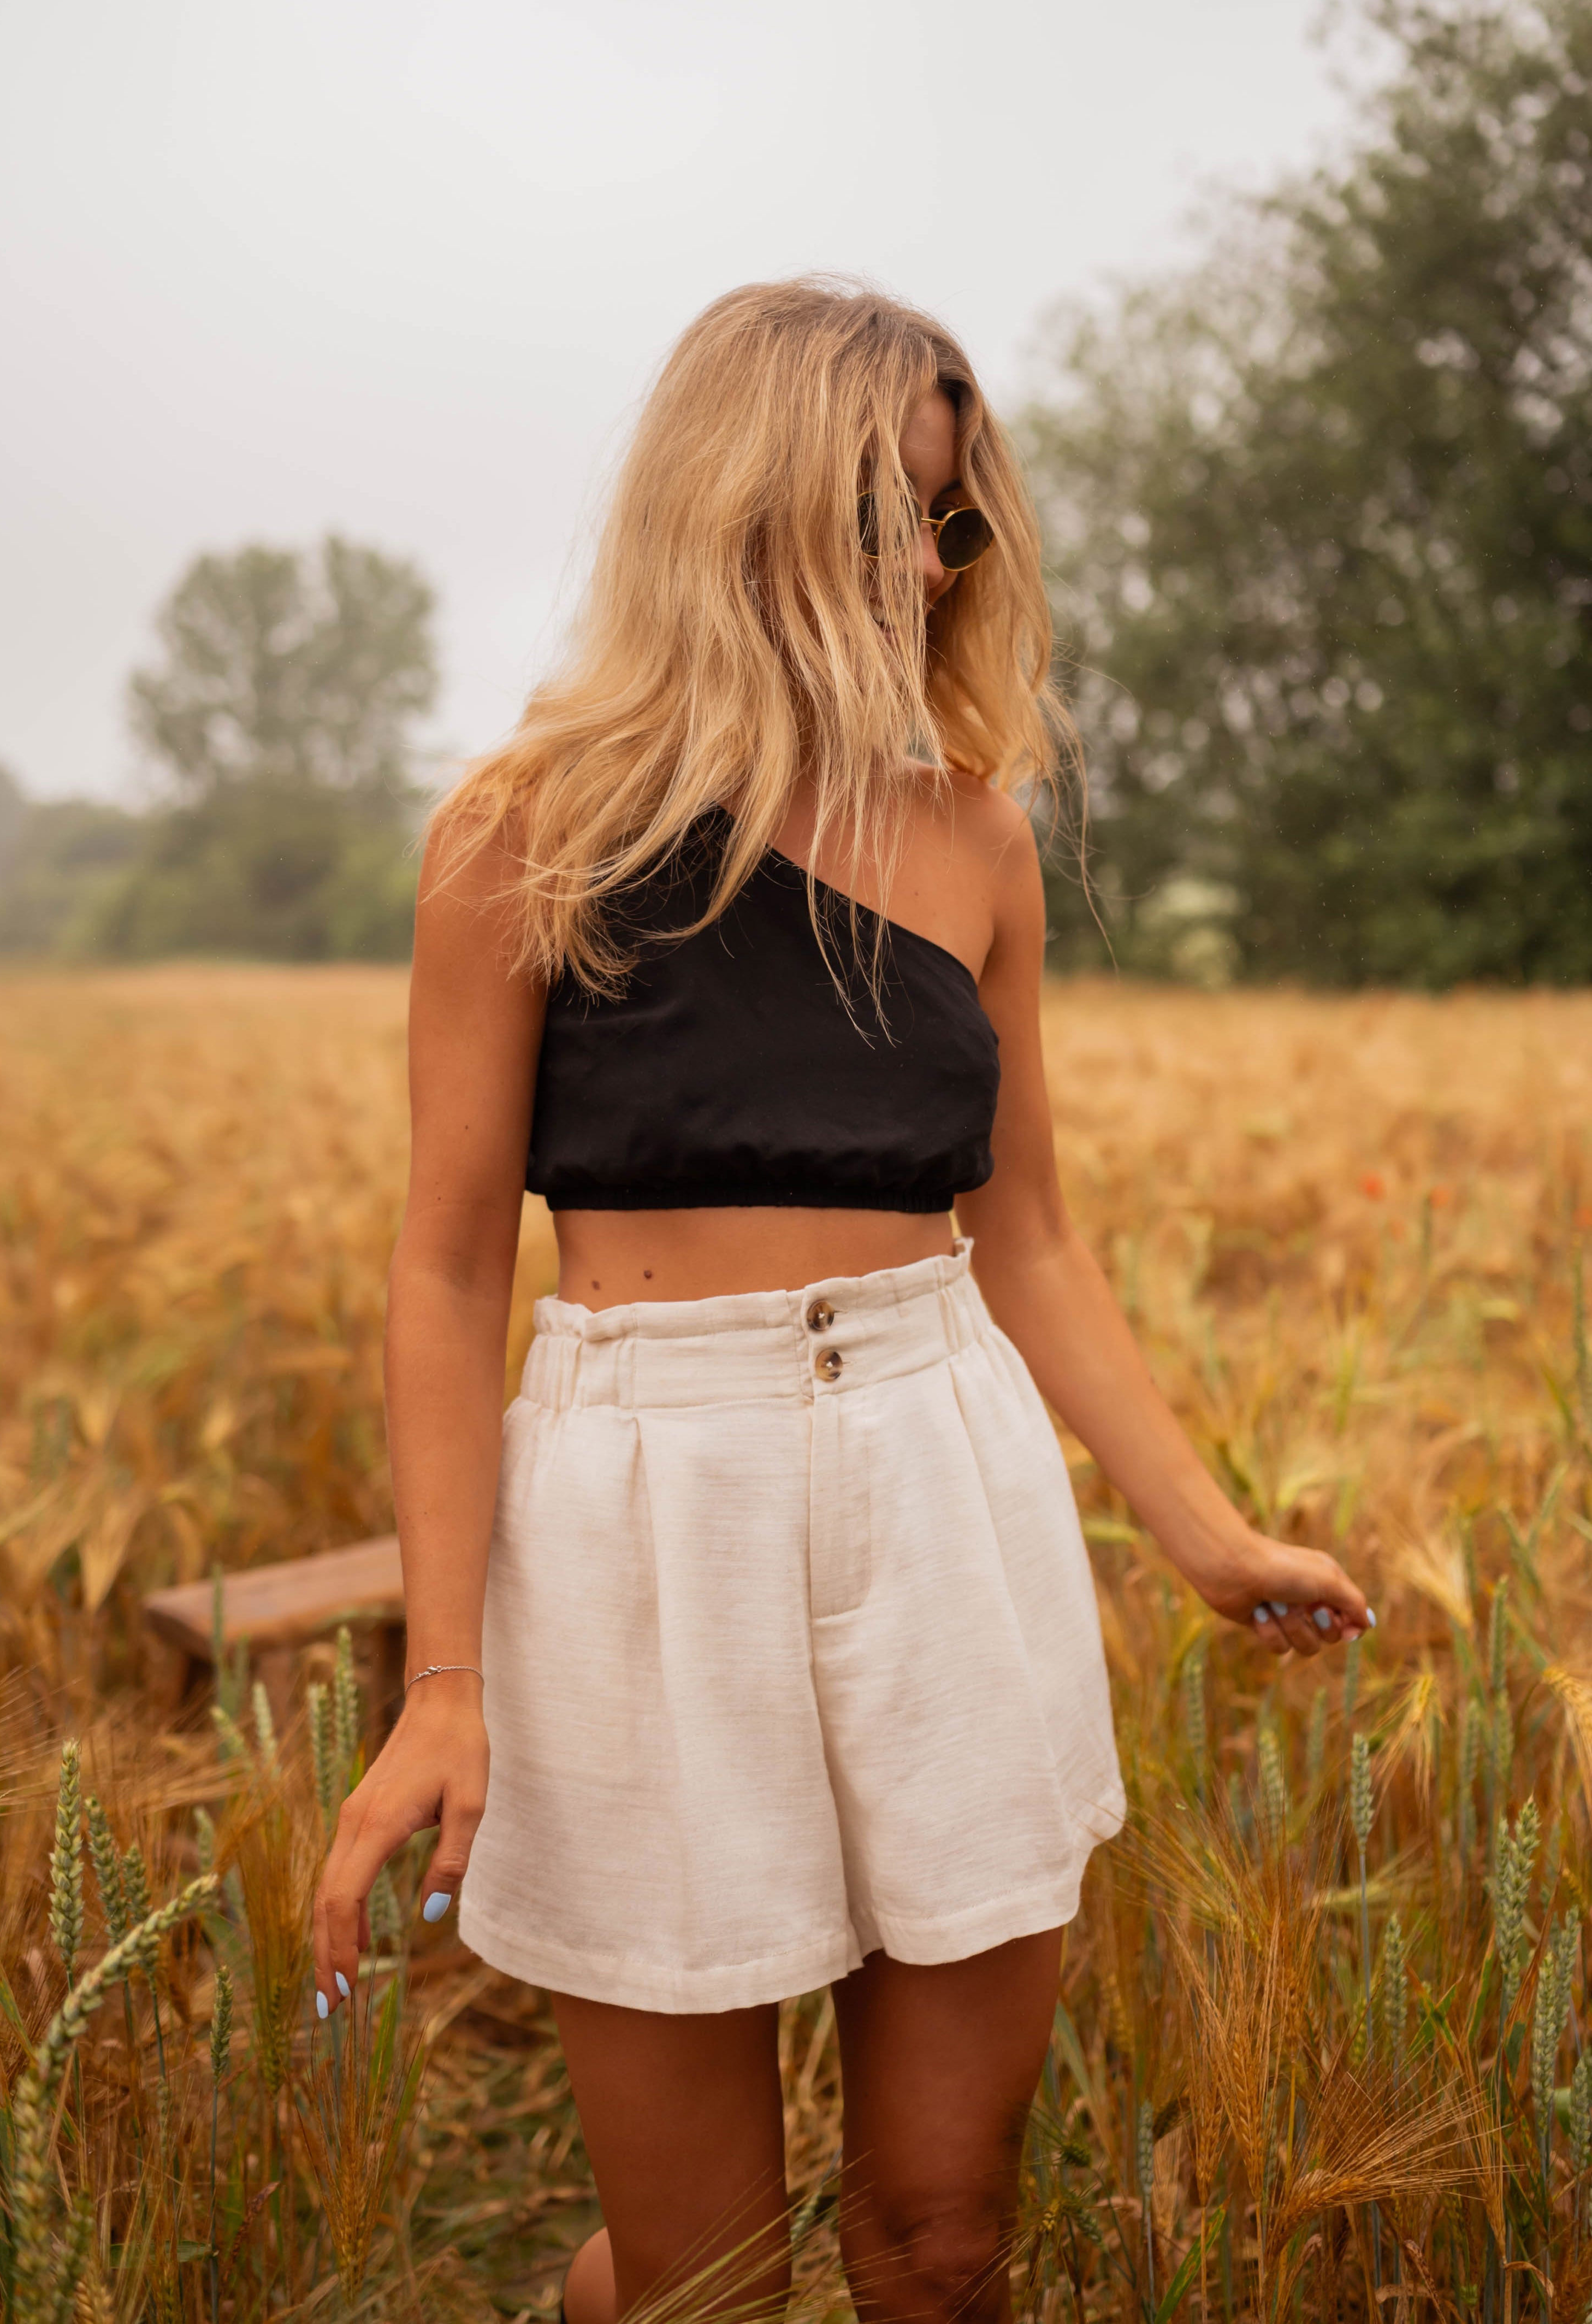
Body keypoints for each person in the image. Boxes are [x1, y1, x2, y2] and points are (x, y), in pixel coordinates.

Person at [311, 278, 1369, 2324]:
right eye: (890, 512)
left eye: (953, 520)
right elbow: (445, 1274)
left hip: (941, 1479)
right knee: (709, 2278)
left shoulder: (978, 836)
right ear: (751, 507)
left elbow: (1029, 1234)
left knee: (942, 2242)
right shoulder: (523, 834)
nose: (931, 561)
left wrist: (1205, 1532)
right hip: (643, 1512)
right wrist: (446, 1677)